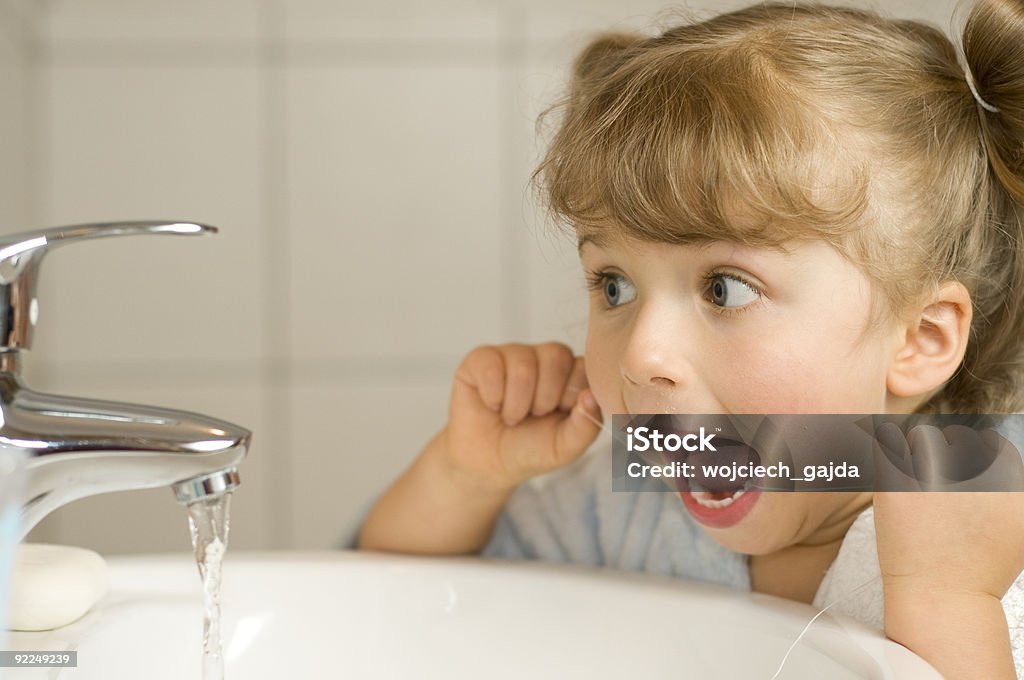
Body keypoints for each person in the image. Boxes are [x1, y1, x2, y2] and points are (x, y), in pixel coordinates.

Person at [358, 2, 1024, 676]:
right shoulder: (628, 513)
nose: (643, 354)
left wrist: (948, 605)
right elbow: (376, 618)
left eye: (725, 289)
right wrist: (466, 477)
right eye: (613, 285)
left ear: (920, 340)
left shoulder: (987, 555)